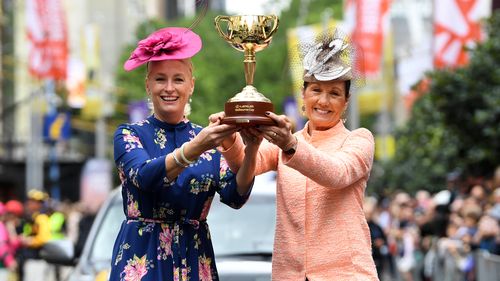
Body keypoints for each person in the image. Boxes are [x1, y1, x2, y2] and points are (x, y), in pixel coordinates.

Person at [211, 30, 378, 280]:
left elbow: (337, 173)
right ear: (303, 93)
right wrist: (231, 136)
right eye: (316, 90)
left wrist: (290, 144)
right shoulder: (288, 141)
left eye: (334, 93)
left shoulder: (359, 139)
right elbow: (246, 165)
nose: (323, 100)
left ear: (346, 101)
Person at [109, 26, 260, 281]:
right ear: (148, 85)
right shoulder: (129, 134)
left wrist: (252, 147)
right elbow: (145, 176)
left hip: (194, 257)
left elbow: (236, 195)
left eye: (178, 79)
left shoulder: (207, 137)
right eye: (160, 79)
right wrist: (196, 147)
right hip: (142, 258)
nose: (169, 88)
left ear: (191, 85)